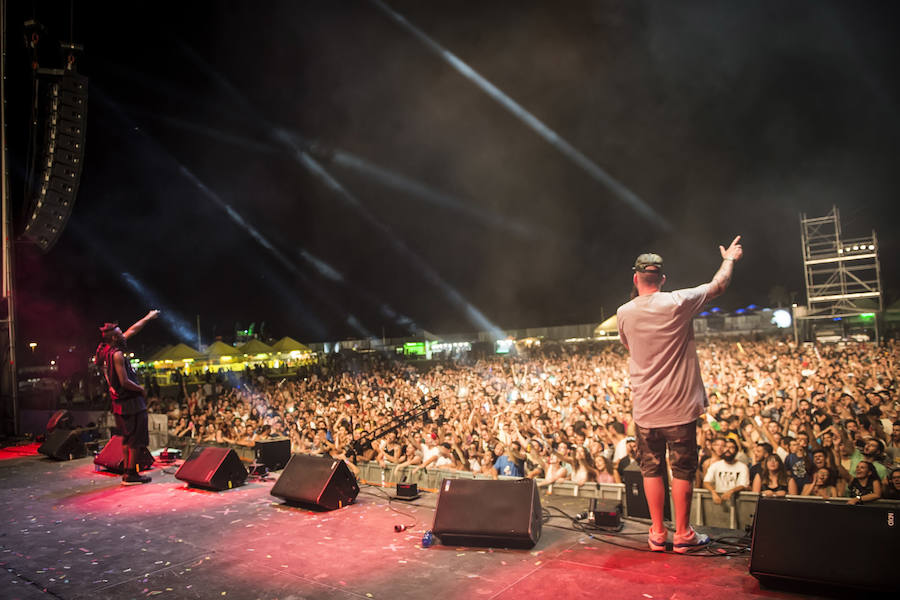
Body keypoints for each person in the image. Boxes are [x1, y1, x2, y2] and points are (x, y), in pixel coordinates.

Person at [617, 236, 743, 552]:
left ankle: (657, 534)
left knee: (651, 468)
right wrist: (729, 259)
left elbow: (629, 347)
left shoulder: (623, 312)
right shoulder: (677, 301)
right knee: (683, 468)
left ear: (635, 278)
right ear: (662, 279)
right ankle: (683, 534)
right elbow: (718, 285)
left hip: (645, 409)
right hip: (679, 408)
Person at [95, 310, 160, 485]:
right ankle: (131, 474)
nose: (124, 335)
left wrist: (147, 317)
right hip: (130, 402)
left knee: (127, 438)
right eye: (120, 334)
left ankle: (127, 473)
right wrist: (141, 389)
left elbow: (132, 330)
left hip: (119, 403)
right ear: (115, 338)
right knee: (136, 439)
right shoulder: (117, 355)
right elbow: (124, 381)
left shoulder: (106, 351)